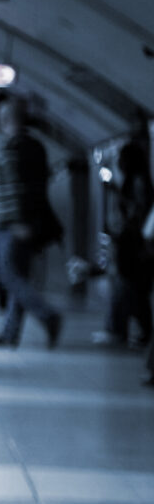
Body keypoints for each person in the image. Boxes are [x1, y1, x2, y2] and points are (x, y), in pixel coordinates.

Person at [0, 93, 65, 348]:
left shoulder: (13, 148)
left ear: (6, 119)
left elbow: (17, 188)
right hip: (27, 221)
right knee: (18, 275)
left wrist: (18, 221)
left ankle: (47, 315)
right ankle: (10, 331)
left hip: (12, 223)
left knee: (8, 275)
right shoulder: (35, 146)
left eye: (0, 117)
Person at [100, 137, 151, 356]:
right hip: (131, 242)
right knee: (131, 289)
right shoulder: (134, 181)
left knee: (133, 289)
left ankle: (142, 331)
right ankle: (134, 331)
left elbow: (138, 211)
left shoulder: (137, 182)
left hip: (134, 243)